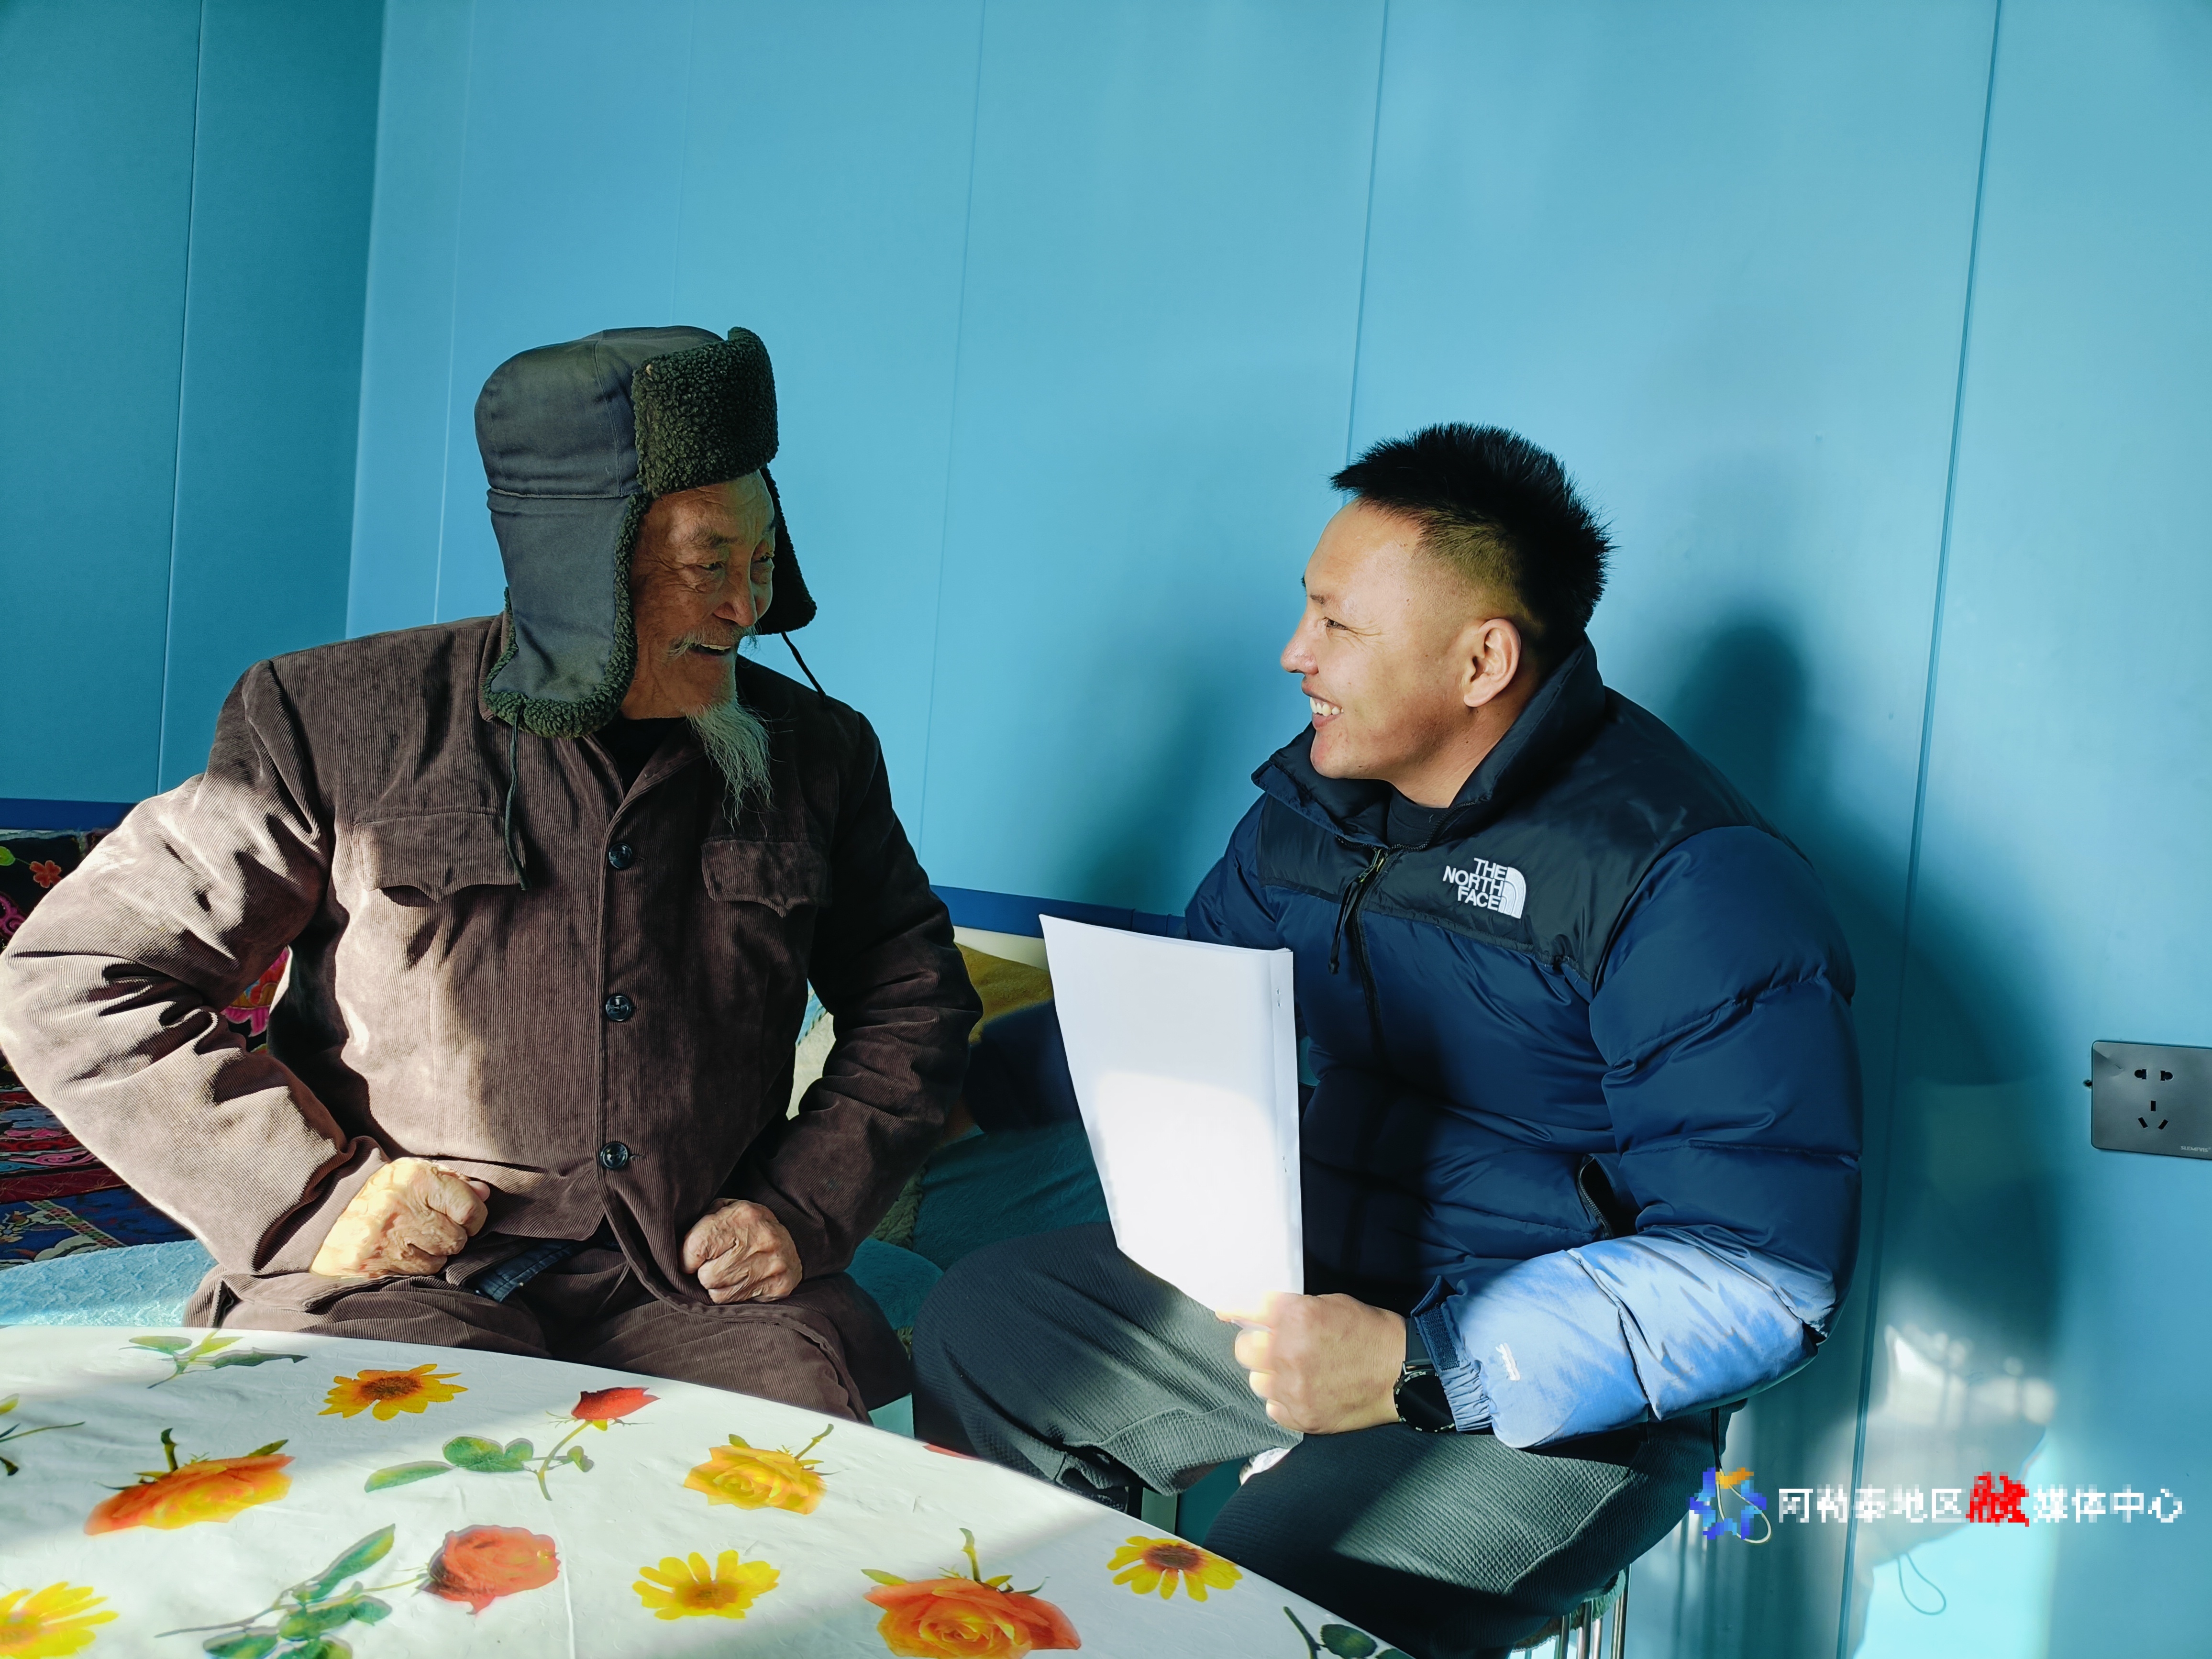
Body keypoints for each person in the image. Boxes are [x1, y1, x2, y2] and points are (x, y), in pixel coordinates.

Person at [913, 425, 1862, 1657]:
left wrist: (1423, 1365)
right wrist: (934, 1103)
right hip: (1314, 1290)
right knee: (993, 1326)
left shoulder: (1689, 882)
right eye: (1305, 610)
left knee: (1263, 1606)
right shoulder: (1315, 810)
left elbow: (1760, 1279)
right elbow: (1181, 1014)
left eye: (1336, 624)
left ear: (1482, 660)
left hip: (1544, 1401)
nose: (1293, 653)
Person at [0, 326, 979, 1420]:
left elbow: (914, 999)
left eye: (760, 563)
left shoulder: (820, 751)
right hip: (402, 1283)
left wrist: (804, 1206)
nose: (745, 610)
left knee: (794, 1481)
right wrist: (317, 1202)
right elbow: (73, 980)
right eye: (708, 567)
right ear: (578, 563)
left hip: (693, 1285)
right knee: (398, 1471)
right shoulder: (329, 717)